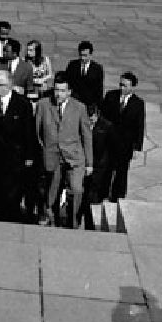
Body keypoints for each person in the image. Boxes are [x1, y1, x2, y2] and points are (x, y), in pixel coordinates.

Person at [34, 74, 94, 229]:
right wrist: (45, 151)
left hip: (74, 157)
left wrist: (89, 163)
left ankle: (73, 223)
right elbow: (37, 133)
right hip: (52, 156)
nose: (58, 94)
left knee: (76, 189)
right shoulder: (43, 105)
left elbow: (86, 136)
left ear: (69, 92)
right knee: (52, 194)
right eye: (56, 90)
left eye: (62, 90)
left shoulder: (79, 108)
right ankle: (53, 222)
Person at [0, 70, 37, 222]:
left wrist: (29, 156)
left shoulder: (22, 104)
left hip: (14, 155)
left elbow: (28, 131)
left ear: (8, 86)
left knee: (11, 190)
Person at [101, 72, 145, 202]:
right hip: (109, 141)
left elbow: (140, 125)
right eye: (120, 84)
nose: (122, 88)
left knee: (121, 171)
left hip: (125, 144)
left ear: (132, 87)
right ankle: (102, 192)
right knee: (106, 168)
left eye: (125, 86)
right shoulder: (111, 96)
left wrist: (137, 147)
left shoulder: (138, 103)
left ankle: (117, 195)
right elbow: (103, 117)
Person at [78, 103, 118, 230]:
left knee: (93, 196)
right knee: (83, 194)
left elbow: (112, 148)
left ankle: (91, 224)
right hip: (84, 164)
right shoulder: (81, 123)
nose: (90, 120)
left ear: (97, 115)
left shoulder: (107, 126)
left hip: (100, 166)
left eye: (92, 118)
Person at [64, 40, 105, 110]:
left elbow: (99, 90)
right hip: (74, 103)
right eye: (81, 55)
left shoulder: (97, 69)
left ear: (91, 55)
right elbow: (66, 83)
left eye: (85, 55)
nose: (82, 58)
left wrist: (98, 108)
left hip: (89, 104)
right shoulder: (72, 65)